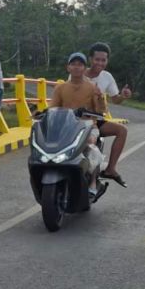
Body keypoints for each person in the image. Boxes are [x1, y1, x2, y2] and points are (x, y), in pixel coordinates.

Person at [51, 52, 109, 198]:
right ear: (68, 68)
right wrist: (42, 114)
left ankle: (93, 183)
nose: (76, 67)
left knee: (90, 144)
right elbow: (53, 108)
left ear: (84, 68)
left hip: (88, 126)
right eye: (73, 64)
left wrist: (100, 97)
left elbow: (101, 111)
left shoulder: (92, 87)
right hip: (66, 126)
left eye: (80, 64)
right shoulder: (60, 88)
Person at [81, 42, 129, 187]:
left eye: (103, 60)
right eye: (97, 59)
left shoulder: (107, 77)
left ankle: (110, 169)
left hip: (96, 120)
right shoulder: (78, 74)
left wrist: (123, 96)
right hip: (77, 120)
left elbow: (116, 99)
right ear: (90, 59)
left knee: (122, 130)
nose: (100, 63)